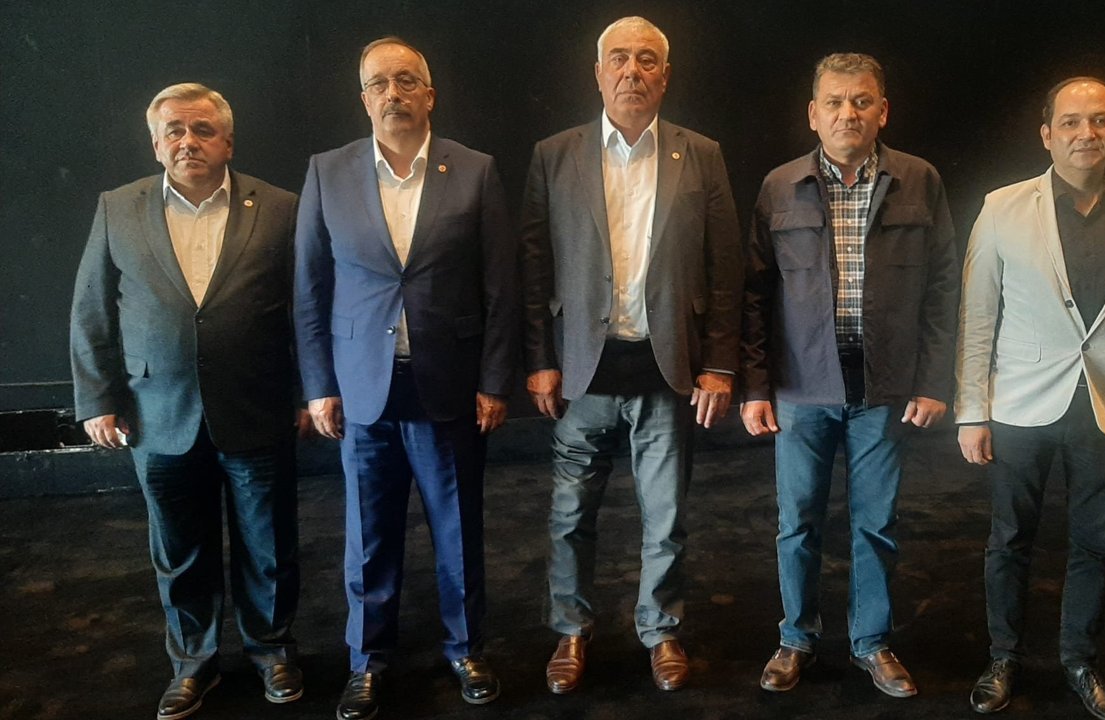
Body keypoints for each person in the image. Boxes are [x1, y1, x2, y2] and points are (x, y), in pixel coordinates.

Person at [293, 37, 519, 720]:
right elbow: (310, 287)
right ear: (363, 99)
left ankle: (466, 649)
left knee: (458, 529)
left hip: (448, 383)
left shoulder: (474, 171)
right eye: (378, 83)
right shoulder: (327, 172)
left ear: (429, 95)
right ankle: (368, 660)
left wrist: (495, 380)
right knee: (368, 536)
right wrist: (318, 385)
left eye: (406, 80)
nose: (393, 93)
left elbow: (501, 287)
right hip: (361, 387)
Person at [520, 15, 742, 694]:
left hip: (668, 367)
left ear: (665, 77)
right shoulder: (554, 154)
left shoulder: (700, 154)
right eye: (618, 58)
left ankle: (661, 630)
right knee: (569, 518)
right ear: (598, 73)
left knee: (666, 519)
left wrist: (719, 365)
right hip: (582, 370)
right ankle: (571, 631)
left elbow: (725, 266)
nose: (632, 71)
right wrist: (541, 358)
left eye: (647, 60)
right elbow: (534, 263)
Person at [69, 83, 303, 720]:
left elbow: (304, 309)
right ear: (156, 143)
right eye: (174, 130)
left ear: (228, 141)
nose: (187, 141)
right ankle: (194, 664)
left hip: (256, 407)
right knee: (178, 552)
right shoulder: (118, 208)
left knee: (268, 545)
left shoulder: (279, 207)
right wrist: (97, 399)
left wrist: (309, 393)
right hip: (157, 413)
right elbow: (91, 311)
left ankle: (271, 651)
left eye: (202, 129)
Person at [954, 77, 1105, 720]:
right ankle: (1004, 658)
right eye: (1072, 122)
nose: (1087, 133)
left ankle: (1081, 662)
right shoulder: (1002, 207)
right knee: (1009, 539)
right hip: (1019, 403)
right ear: (1047, 134)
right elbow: (977, 317)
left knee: (1097, 544)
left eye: (1101, 120)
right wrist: (972, 411)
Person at [740, 53, 959, 698]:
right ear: (813, 114)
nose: (847, 114)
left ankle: (872, 642)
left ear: (882, 111)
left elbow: (943, 287)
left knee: (876, 524)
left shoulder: (920, 180)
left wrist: (934, 380)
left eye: (861, 101)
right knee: (797, 523)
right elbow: (754, 295)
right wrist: (755, 387)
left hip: (884, 387)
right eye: (834, 102)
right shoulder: (780, 185)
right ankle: (795, 639)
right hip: (801, 388)